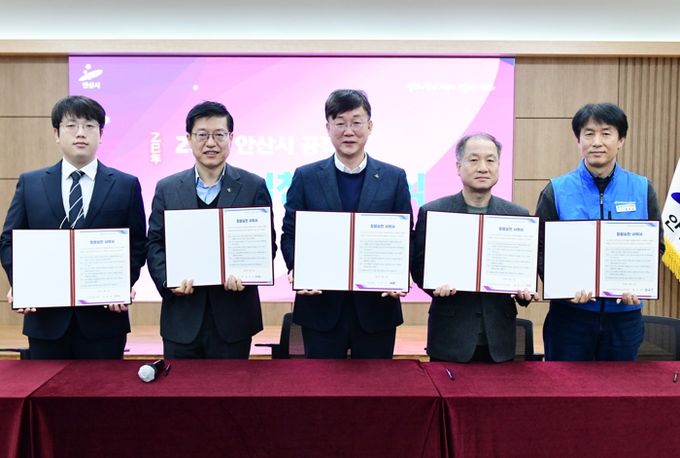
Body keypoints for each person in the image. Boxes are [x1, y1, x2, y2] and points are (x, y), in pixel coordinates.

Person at [0, 95, 147, 359]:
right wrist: (21, 282)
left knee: (102, 387)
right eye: (71, 125)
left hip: (104, 321)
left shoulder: (126, 185)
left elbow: (137, 243)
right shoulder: (30, 183)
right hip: (45, 320)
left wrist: (124, 283)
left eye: (89, 126)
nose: (81, 133)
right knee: (47, 387)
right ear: (56, 134)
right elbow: (9, 240)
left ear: (101, 134)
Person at [281, 89, 413, 359]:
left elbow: (405, 236)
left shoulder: (394, 177)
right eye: (340, 123)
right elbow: (290, 233)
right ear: (328, 128)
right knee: (322, 385)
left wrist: (401, 272)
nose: (349, 131)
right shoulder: (306, 176)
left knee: (376, 384)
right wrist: (298, 268)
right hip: (320, 307)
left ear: (370, 126)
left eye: (356, 122)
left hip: (377, 308)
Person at [536, 102, 664, 361]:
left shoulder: (641, 188)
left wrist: (638, 284)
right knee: (565, 385)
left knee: (619, 386)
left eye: (606, 133)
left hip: (624, 317)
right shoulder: (556, 190)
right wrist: (562, 288)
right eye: (589, 134)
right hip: (570, 317)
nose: (597, 142)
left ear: (621, 140)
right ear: (578, 140)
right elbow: (539, 249)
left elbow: (655, 245)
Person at [147, 101, 276, 359]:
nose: (211, 143)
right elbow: (155, 244)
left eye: (219, 135)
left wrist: (248, 275)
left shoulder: (253, 186)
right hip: (181, 317)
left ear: (231, 138)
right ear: (188, 139)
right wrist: (168, 280)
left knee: (230, 386)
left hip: (234, 319)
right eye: (202, 135)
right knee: (180, 386)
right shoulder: (167, 188)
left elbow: (266, 244)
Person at [412, 133, 535, 362]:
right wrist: (434, 286)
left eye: (490, 160)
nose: (483, 168)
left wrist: (524, 292)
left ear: (498, 166)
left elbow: (524, 271)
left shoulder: (517, 216)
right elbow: (418, 266)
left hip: (499, 340)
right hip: (449, 336)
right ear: (458, 166)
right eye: (474, 159)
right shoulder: (433, 212)